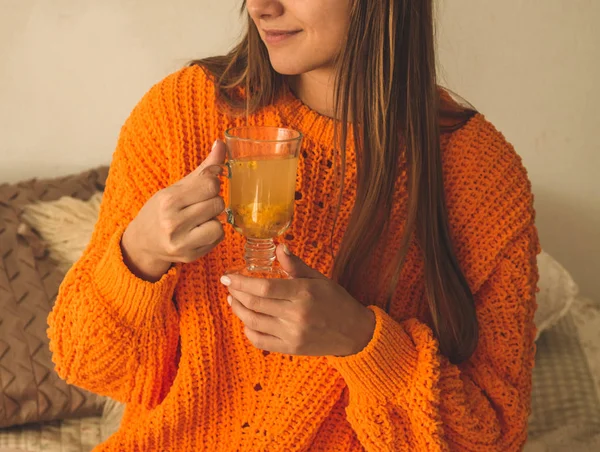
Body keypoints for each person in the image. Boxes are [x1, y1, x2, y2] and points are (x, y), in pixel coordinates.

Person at [48, 0, 540, 450]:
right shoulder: (181, 113)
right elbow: (86, 363)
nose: (261, 6)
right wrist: (138, 256)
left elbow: (491, 439)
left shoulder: (482, 175)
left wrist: (363, 340)